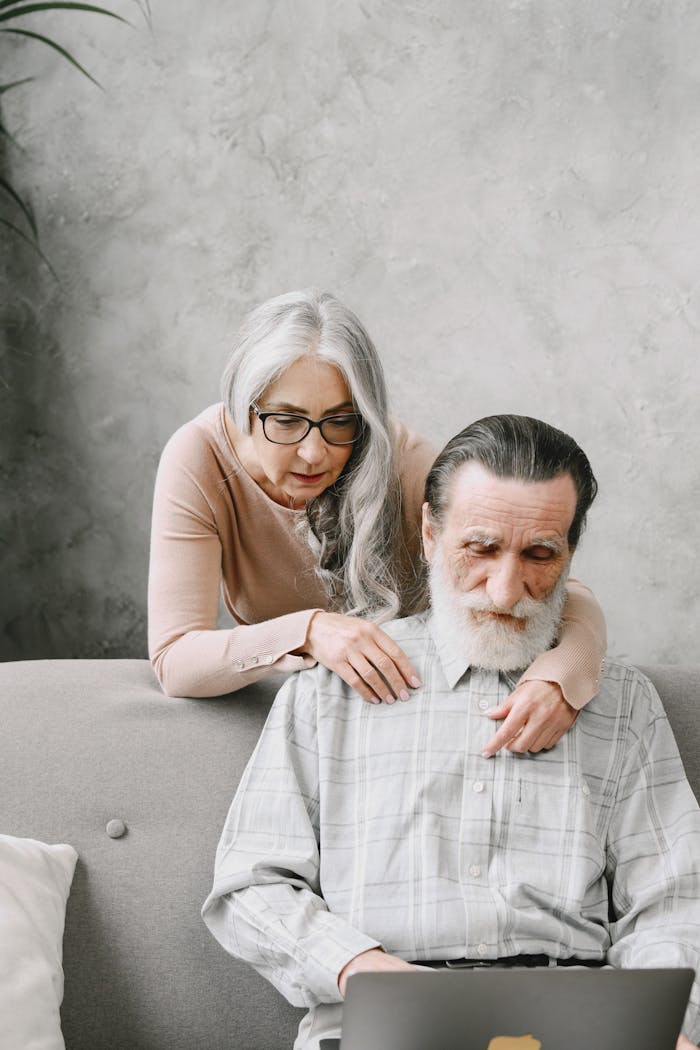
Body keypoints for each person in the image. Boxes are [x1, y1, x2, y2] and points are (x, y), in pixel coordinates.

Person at [202, 414, 700, 1050]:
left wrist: (664, 1027)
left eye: (540, 555)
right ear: (431, 534)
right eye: (482, 548)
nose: (506, 588)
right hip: (382, 1017)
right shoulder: (329, 690)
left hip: (574, 1025)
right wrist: (361, 970)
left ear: (570, 554)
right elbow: (251, 884)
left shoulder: (622, 702)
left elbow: (677, 896)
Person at [148, 289, 606, 754]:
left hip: (417, 706)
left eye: (339, 421)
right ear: (244, 406)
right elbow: (175, 661)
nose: (313, 453)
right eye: (286, 420)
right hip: (307, 718)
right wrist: (309, 630)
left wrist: (564, 676)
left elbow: (552, 581)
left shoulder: (405, 464)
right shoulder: (199, 457)